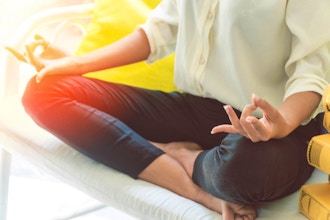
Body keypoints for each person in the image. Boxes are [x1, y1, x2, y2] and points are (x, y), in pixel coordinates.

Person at [9, 0, 330, 219]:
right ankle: (191, 181)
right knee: (43, 92)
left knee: (244, 171)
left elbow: (311, 73)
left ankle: (188, 158)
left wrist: (280, 124)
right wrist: (74, 64)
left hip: (275, 127)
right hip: (195, 109)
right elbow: (157, 33)